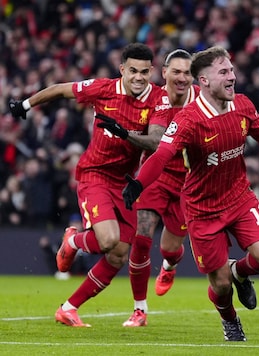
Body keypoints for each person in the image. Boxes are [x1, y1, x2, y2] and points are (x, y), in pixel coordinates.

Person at [121, 46, 259, 341]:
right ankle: (230, 320)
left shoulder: (243, 105)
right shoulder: (189, 119)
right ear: (204, 81)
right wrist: (139, 183)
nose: (232, 76)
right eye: (224, 72)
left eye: (231, 70)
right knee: (220, 287)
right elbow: (161, 154)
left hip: (239, 197)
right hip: (202, 208)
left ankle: (239, 272)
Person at [9, 42, 172, 327]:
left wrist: (125, 133)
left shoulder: (159, 99)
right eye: (132, 70)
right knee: (108, 240)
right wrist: (26, 104)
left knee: (120, 253)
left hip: (124, 182)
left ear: (151, 72)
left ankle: (69, 308)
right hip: (94, 174)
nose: (138, 77)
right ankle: (72, 240)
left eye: (144, 72)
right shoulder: (103, 88)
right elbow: (61, 88)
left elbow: (157, 140)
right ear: (122, 69)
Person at [124, 49, 200, 327]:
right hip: (155, 175)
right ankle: (139, 309)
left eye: (187, 73)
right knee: (142, 237)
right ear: (164, 71)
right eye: (176, 72)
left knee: (170, 249)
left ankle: (169, 266)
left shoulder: (200, 102)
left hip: (187, 182)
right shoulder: (154, 98)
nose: (182, 78)